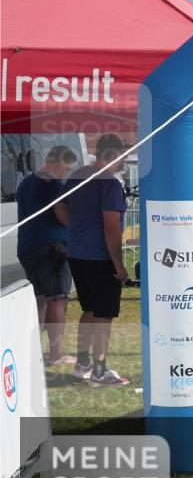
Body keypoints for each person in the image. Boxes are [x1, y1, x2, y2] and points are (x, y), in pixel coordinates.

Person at [55, 134, 130, 385]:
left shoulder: (78, 175)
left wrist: (76, 228)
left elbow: (59, 207)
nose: (124, 162)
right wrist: (119, 266)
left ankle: (83, 363)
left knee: (89, 310)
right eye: (123, 156)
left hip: (77, 254)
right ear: (112, 155)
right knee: (103, 315)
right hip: (99, 257)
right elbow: (112, 228)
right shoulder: (109, 183)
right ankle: (99, 369)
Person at [16, 145, 78, 366]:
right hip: (51, 249)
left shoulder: (25, 183)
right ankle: (57, 354)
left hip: (27, 247)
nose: (66, 173)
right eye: (66, 168)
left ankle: (33, 351)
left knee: (40, 300)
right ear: (57, 163)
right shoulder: (53, 186)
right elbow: (61, 213)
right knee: (57, 299)